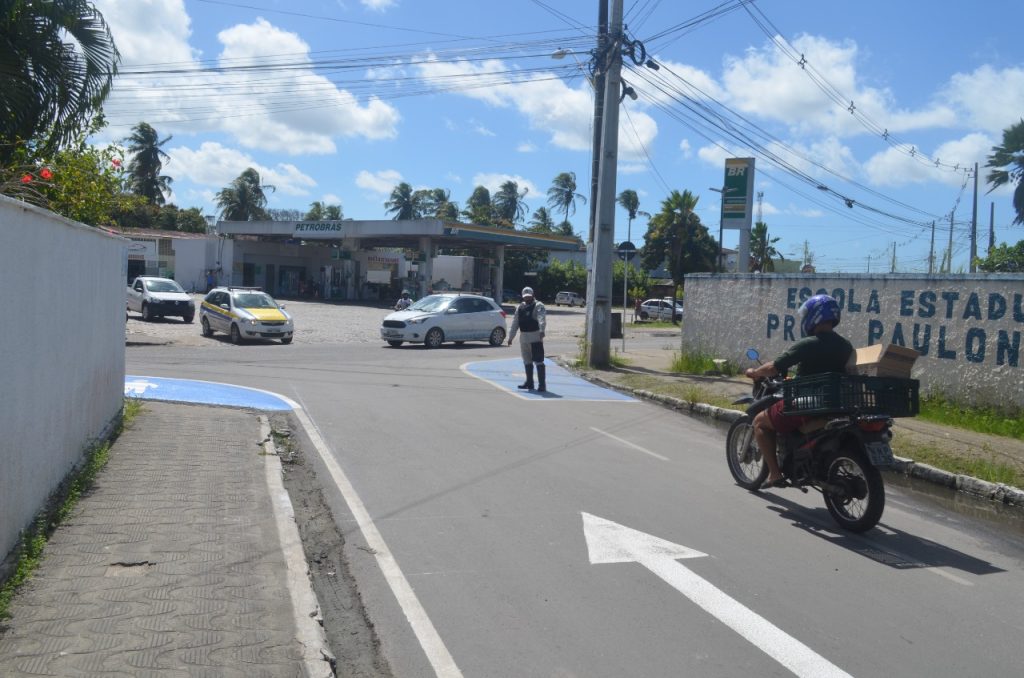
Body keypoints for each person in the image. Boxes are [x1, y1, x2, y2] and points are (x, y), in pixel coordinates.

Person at [743, 294, 853, 489]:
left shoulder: (809, 343)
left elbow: (774, 367)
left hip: (807, 403)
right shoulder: (846, 346)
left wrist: (755, 372)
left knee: (760, 421)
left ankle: (774, 474)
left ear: (815, 316)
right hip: (835, 403)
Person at [508, 286, 547, 391]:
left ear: (533, 295)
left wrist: (542, 330)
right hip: (524, 337)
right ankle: (529, 383)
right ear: (522, 296)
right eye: (525, 296)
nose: (527, 298)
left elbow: (541, 318)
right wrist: (511, 337)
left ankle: (542, 385)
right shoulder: (520, 307)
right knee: (527, 361)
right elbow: (515, 323)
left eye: (529, 296)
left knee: (538, 361)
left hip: (535, 337)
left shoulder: (539, 305)